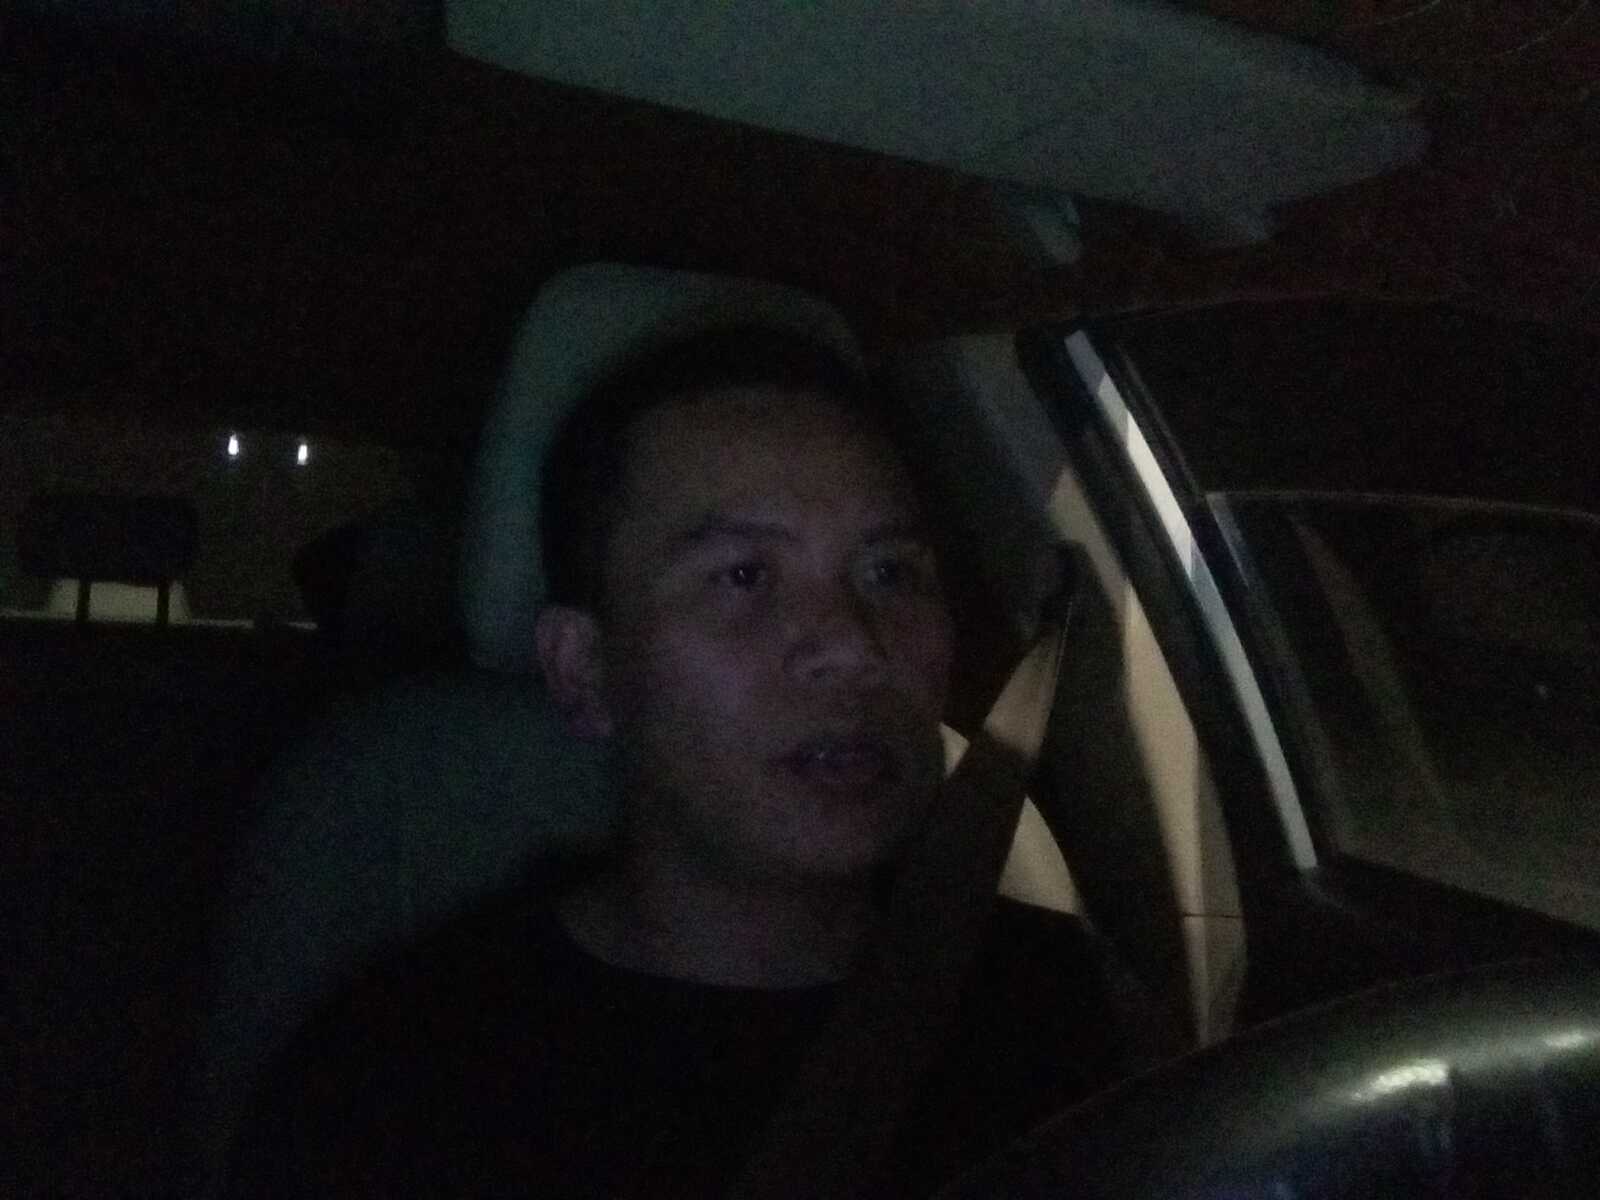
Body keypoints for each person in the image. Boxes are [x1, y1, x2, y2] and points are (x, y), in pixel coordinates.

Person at [224, 318, 1148, 1198]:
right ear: (584, 670)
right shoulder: (396, 1095)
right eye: (744, 576)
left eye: (890, 572)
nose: (854, 647)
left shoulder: (1058, 1010)